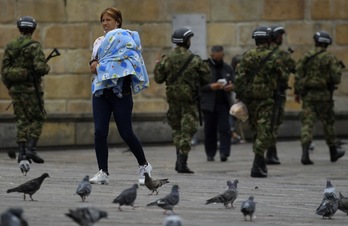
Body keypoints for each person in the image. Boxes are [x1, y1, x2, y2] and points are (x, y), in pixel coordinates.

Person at [89, 7, 152, 185]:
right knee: (100, 132)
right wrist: (94, 63)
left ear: (118, 21)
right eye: (102, 20)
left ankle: (144, 165)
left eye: (108, 20)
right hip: (101, 92)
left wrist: (103, 66)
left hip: (120, 92)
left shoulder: (126, 40)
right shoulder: (99, 41)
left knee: (126, 133)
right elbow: (95, 60)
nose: (105, 23)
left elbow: (132, 61)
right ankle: (103, 171)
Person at [154, 28, 211, 174]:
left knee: (177, 130)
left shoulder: (167, 58)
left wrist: (157, 64)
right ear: (186, 41)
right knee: (187, 130)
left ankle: (179, 159)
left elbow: (159, 79)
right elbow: (206, 78)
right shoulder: (194, 59)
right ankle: (182, 162)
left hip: (173, 101)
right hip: (189, 101)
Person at [234, 26, 287, 178]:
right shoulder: (274, 57)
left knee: (256, 131)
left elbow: (239, 77)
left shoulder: (247, 56)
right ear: (269, 39)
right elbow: (283, 76)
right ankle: (257, 164)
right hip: (266, 100)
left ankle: (261, 162)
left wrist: (240, 95)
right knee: (264, 131)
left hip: (250, 100)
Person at [1, 16, 50, 165]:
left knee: (21, 120)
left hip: (16, 90)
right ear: (33, 29)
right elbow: (40, 68)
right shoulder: (34, 46)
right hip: (31, 90)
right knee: (38, 117)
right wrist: (46, 67)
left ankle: (21, 153)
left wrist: (11, 87)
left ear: (19, 28)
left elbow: (4, 71)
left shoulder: (11, 45)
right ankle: (31, 148)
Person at [294, 31, 345, 165]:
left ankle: (305, 154)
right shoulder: (330, 58)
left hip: (309, 96)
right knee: (328, 123)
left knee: (307, 124)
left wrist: (298, 91)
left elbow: (298, 74)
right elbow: (336, 78)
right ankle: (333, 152)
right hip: (324, 96)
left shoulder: (306, 56)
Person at [265, 25, 296, 165]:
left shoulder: (263, 52)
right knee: (274, 124)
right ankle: (270, 154)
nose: (282, 39)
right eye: (280, 36)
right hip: (277, 94)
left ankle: (271, 152)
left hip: (264, 94)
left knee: (267, 124)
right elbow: (295, 69)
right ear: (276, 38)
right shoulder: (281, 55)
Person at [200, 45, 234, 162]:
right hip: (209, 104)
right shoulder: (205, 68)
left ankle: (224, 153)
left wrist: (230, 87)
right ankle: (210, 153)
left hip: (223, 103)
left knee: (225, 129)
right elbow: (199, 86)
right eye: (216, 57)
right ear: (212, 55)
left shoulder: (227, 68)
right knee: (210, 130)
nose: (218, 59)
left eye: (221, 57)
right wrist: (211, 86)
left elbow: (234, 82)